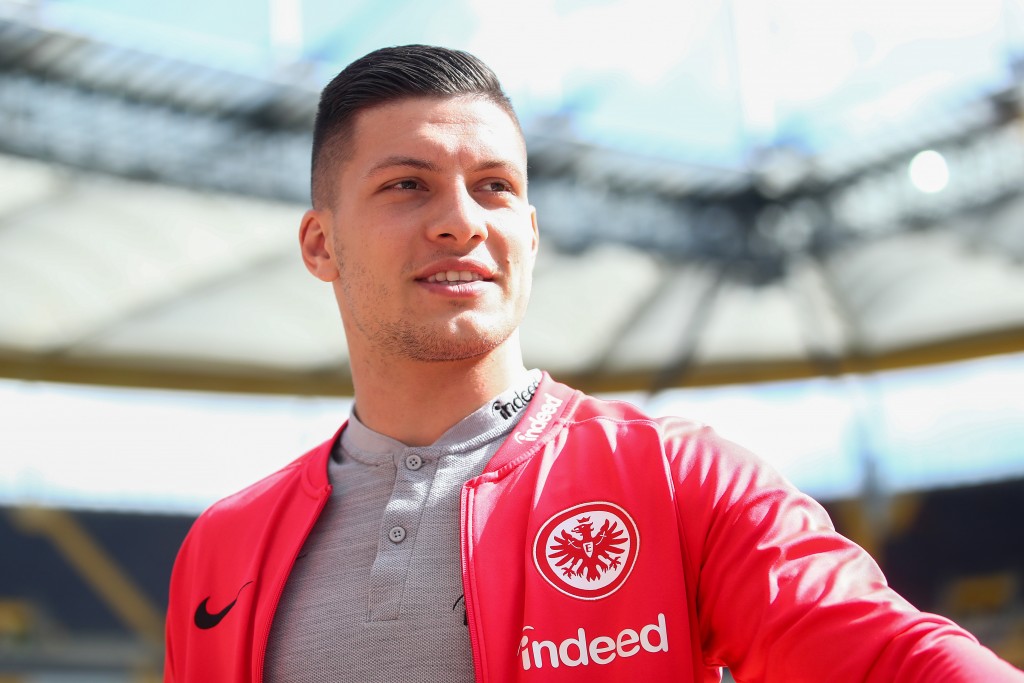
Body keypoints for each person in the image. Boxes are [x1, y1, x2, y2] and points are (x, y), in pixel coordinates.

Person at [164, 45, 1024, 683]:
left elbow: (891, 656)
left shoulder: (681, 478)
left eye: (495, 186)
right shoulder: (221, 547)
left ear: (531, 235)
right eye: (406, 184)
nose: (463, 220)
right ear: (321, 243)